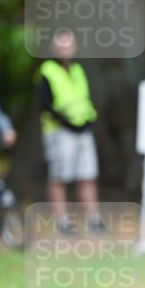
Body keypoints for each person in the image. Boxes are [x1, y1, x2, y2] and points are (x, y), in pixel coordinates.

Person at [38, 29, 105, 233]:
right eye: (61, 45)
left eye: (69, 45)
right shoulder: (47, 70)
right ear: (54, 48)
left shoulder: (77, 70)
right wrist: (68, 123)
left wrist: (87, 121)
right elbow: (46, 105)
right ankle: (62, 221)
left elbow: (85, 98)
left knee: (88, 174)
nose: (65, 49)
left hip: (83, 130)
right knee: (59, 177)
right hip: (59, 132)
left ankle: (94, 219)